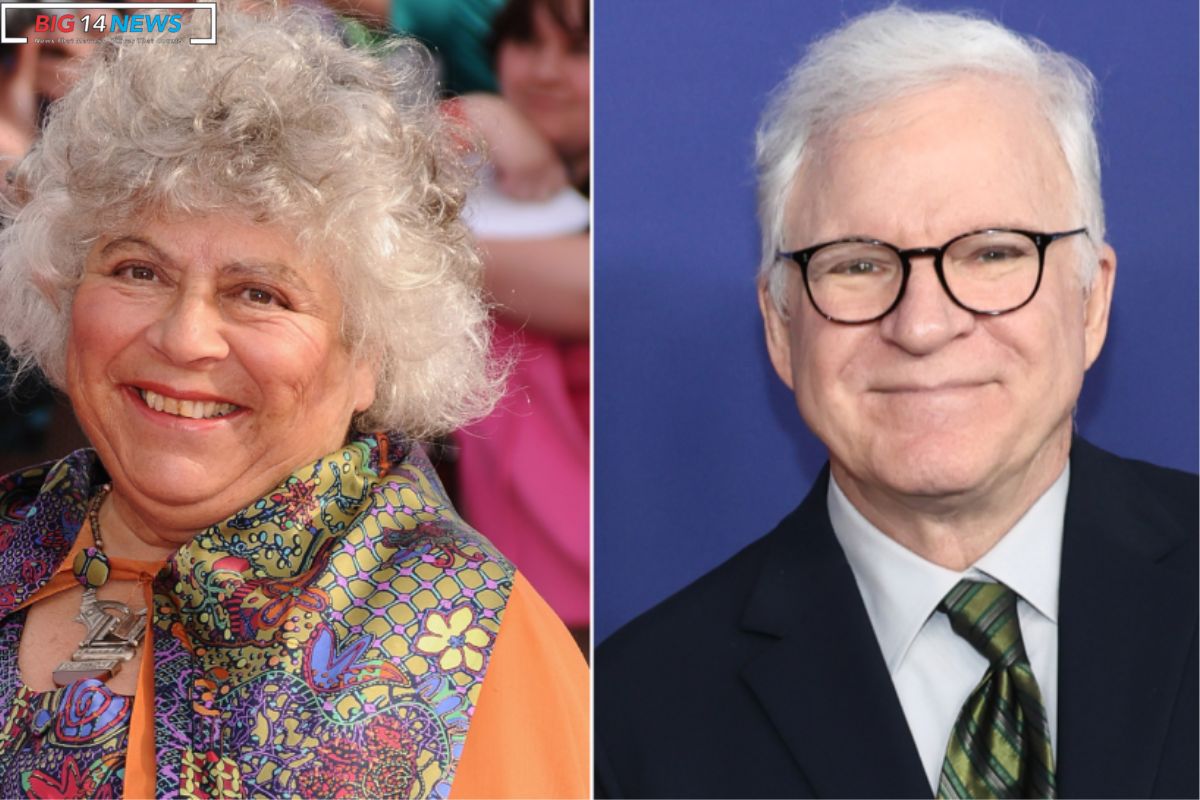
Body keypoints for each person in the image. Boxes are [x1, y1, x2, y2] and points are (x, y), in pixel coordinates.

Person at [595, 6, 1196, 799]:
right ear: (781, 325)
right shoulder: (628, 719)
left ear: (1091, 302)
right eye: (857, 265)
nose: (921, 325)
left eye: (991, 253)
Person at [0, 7, 587, 797]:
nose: (186, 338)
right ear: (65, 294)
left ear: (371, 353)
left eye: (259, 293)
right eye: (139, 271)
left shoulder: (470, 643)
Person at [451, 0, 590, 648]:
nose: (544, 72)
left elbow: (593, 290)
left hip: (607, 602)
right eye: (525, 42)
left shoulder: (655, 208)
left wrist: (408, 246)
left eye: (578, 50)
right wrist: (476, 116)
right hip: (486, 602)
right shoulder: (466, 166)